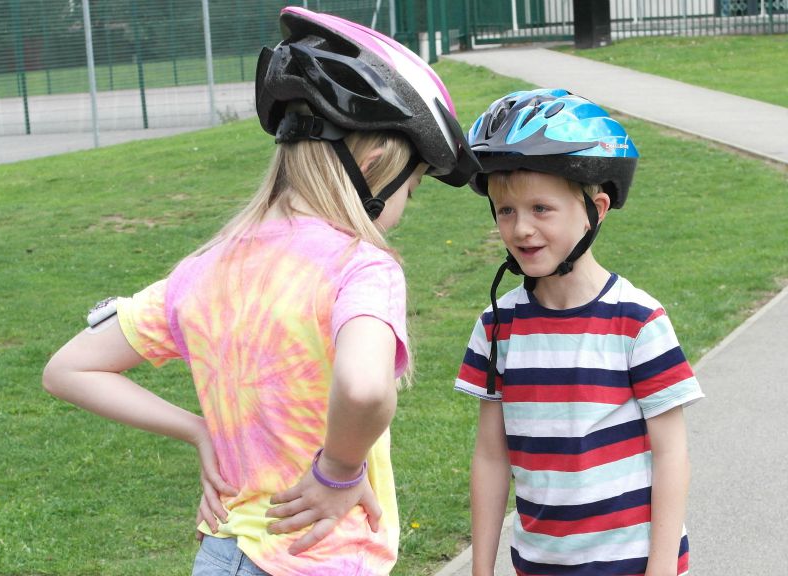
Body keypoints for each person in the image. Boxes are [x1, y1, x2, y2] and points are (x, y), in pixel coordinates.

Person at [43, 7, 478, 576]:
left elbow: (68, 369)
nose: (402, 211)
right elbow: (366, 387)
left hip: (221, 552)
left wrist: (198, 429)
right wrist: (340, 471)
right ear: (375, 165)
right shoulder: (361, 265)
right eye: (411, 191)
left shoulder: (203, 268)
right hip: (313, 556)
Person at [454, 89, 704, 576]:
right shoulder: (496, 326)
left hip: (631, 562)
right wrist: (480, 569)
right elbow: (490, 456)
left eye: (541, 209)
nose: (521, 228)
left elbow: (672, 454)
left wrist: (660, 568)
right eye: (506, 211)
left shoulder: (637, 320)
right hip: (539, 563)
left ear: (597, 209)